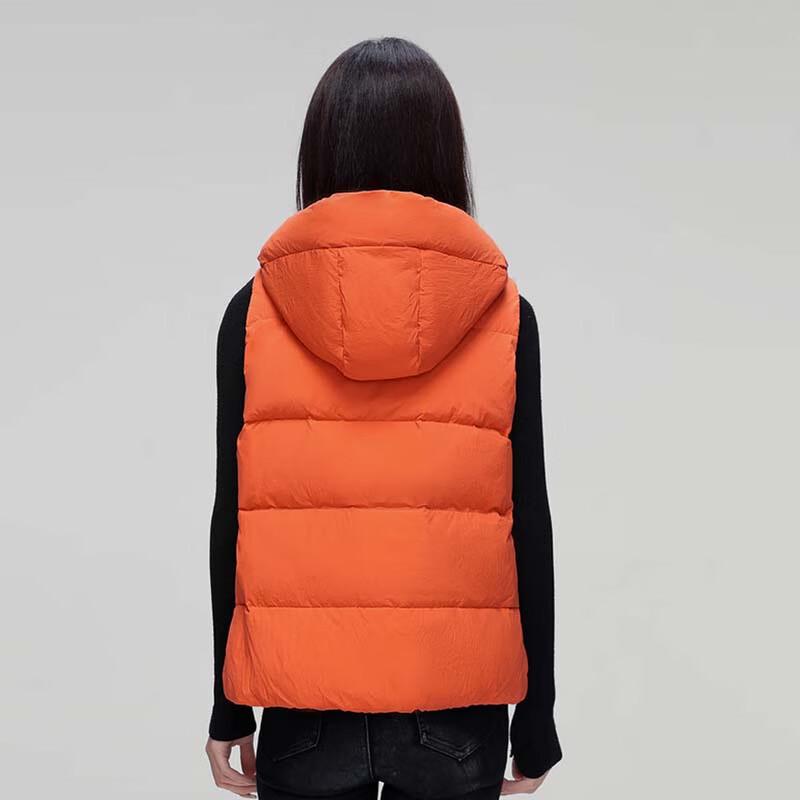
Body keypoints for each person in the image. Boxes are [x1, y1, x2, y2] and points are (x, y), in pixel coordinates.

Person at [205, 37, 562, 800]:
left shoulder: (254, 313)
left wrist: (228, 704)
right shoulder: (504, 315)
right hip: (455, 714)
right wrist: (537, 722)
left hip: (304, 713)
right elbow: (525, 521)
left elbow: (235, 517)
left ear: (320, 151)